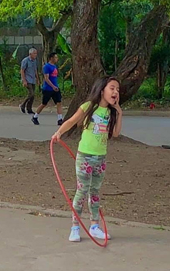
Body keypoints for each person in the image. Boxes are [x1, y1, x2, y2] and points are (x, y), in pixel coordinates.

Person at [52, 76, 123, 242]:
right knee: (82, 191)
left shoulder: (111, 112)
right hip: (85, 156)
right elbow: (71, 120)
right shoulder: (89, 107)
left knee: (95, 192)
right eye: (112, 88)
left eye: (117, 89)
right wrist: (59, 133)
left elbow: (116, 133)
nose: (115, 92)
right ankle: (75, 228)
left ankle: (94, 226)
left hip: (100, 158)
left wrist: (119, 112)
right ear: (102, 89)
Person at [32, 52, 63, 126]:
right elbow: (46, 78)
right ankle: (35, 116)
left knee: (59, 102)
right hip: (48, 89)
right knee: (44, 104)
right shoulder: (46, 67)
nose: (56, 59)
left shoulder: (55, 66)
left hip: (55, 88)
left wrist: (56, 87)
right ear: (51, 58)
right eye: (55, 57)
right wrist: (53, 86)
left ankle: (60, 119)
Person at [19, 48, 39, 114]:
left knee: (32, 96)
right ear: (30, 54)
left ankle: (29, 108)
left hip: (33, 79)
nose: (35, 55)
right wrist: (24, 80)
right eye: (34, 53)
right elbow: (22, 71)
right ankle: (22, 104)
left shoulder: (35, 61)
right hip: (27, 79)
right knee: (31, 94)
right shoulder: (25, 60)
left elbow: (35, 70)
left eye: (36, 53)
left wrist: (37, 79)